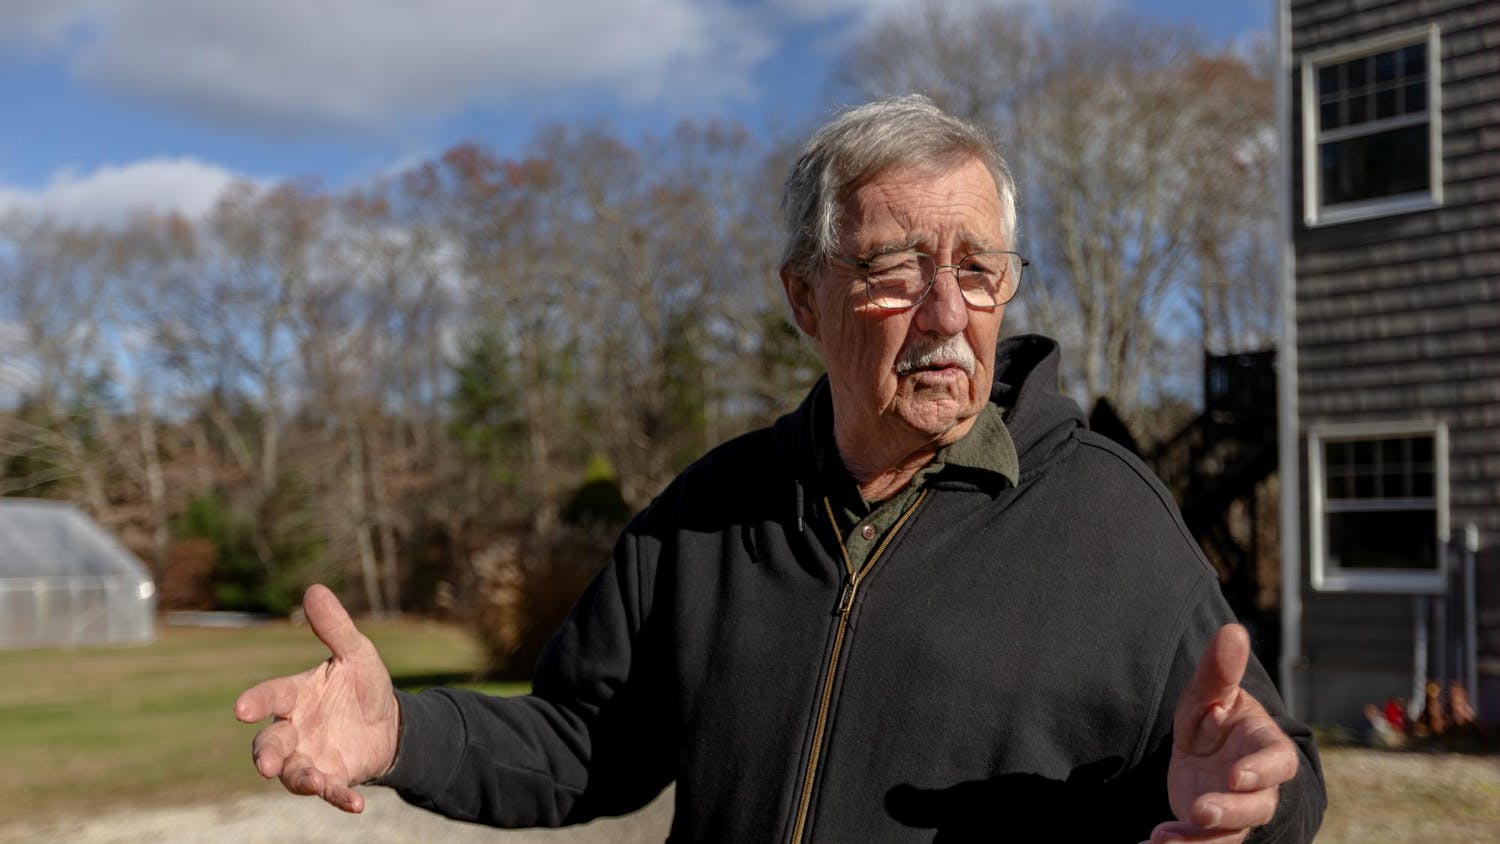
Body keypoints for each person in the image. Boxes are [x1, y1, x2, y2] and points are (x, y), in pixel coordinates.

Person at [236, 95, 1325, 842]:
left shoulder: (1107, 516)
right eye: (897, 268)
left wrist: (1256, 801)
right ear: (805, 298)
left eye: (980, 271)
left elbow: (1269, 761)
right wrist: (400, 733)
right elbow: (584, 743)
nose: (947, 314)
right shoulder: (710, 513)